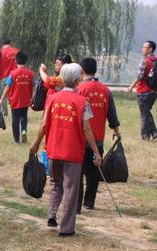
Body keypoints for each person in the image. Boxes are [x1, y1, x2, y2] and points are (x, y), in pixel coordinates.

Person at [29, 63, 102, 237]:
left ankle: (52, 215)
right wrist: (96, 151)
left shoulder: (53, 98)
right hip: (72, 152)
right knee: (70, 188)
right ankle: (67, 228)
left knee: (55, 183)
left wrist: (36, 143)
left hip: (53, 149)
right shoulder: (82, 101)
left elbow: (44, 124)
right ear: (77, 80)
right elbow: (86, 129)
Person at [77, 57, 121, 211]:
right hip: (98, 139)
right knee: (94, 172)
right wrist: (116, 131)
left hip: (80, 138)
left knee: (78, 171)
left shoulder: (79, 89)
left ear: (81, 70)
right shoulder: (105, 90)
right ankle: (89, 202)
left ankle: (76, 204)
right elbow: (112, 115)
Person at [0, 51, 34, 144]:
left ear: (16, 61)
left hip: (15, 100)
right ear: (25, 61)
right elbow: (33, 86)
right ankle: (24, 130)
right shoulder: (30, 74)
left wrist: (2, 99)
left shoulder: (13, 74)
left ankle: (17, 139)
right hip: (26, 99)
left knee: (15, 118)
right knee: (24, 116)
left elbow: (8, 87)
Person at [128, 40, 157, 140]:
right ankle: (153, 132)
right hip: (154, 92)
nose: (142, 49)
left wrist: (131, 86)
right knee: (146, 111)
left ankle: (144, 136)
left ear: (150, 49)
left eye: (144, 47)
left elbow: (140, 76)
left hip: (143, 91)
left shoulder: (145, 60)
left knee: (144, 114)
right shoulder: (156, 60)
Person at [0, 38, 19, 115]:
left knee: (4, 95)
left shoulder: (0, 52)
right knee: (15, 94)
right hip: (16, 76)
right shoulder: (17, 51)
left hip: (4, 76)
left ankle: (5, 113)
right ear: (10, 43)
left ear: (2, 45)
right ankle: (15, 110)